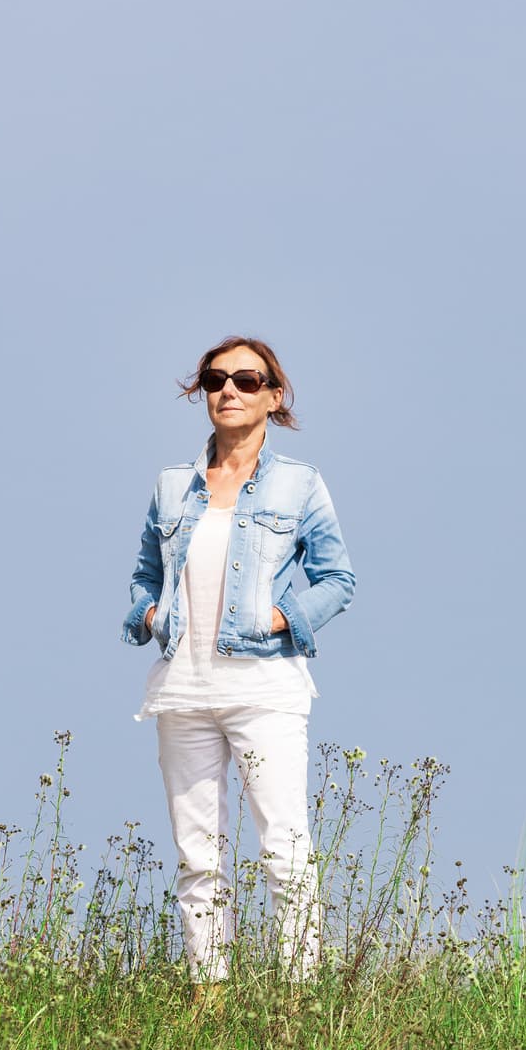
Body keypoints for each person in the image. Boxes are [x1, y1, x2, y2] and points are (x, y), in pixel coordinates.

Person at [121, 337, 356, 1013]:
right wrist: (148, 614)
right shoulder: (172, 484)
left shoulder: (299, 484)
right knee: (199, 857)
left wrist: (282, 618)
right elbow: (144, 571)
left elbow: (338, 578)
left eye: (247, 380)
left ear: (273, 397)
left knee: (283, 849)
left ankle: (298, 1006)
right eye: (215, 379)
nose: (228, 390)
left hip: (264, 690)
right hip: (182, 691)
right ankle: (210, 1003)